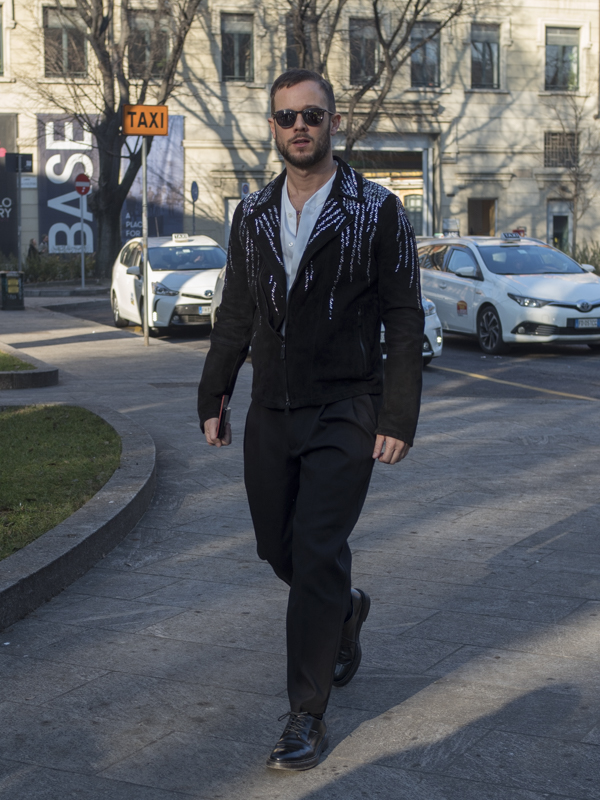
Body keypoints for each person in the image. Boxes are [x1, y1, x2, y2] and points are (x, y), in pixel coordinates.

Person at [197, 68, 424, 771]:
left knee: (319, 547)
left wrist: (398, 413)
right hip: (272, 408)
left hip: (346, 406)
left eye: (313, 116)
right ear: (273, 126)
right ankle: (345, 607)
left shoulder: (376, 210)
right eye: (287, 116)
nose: (300, 127)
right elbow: (237, 311)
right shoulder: (254, 214)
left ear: (333, 123)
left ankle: (305, 711)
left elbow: (404, 316)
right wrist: (214, 393)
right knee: (279, 549)